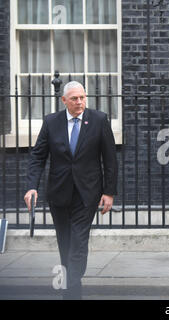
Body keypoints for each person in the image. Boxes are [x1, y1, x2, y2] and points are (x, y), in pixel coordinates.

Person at [24, 81, 118, 300]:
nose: (80, 102)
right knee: (65, 242)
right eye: (74, 98)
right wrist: (31, 187)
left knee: (77, 240)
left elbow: (110, 159)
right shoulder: (51, 122)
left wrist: (109, 192)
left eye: (82, 97)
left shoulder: (98, 120)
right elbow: (38, 156)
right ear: (64, 100)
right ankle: (71, 287)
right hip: (59, 192)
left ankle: (70, 289)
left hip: (87, 193)